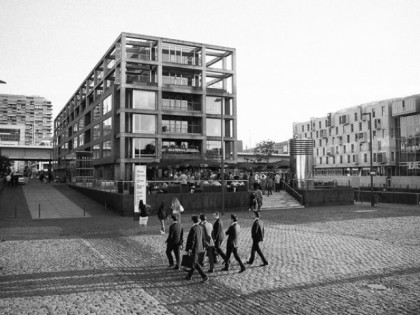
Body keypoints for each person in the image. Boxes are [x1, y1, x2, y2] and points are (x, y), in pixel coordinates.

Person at [185, 215, 209, 282]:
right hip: (200, 248)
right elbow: (203, 238)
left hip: (194, 248)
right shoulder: (201, 227)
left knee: (195, 262)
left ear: (193, 221)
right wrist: (203, 247)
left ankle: (204, 276)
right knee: (194, 262)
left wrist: (189, 248)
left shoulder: (193, 228)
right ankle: (189, 275)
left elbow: (192, 240)